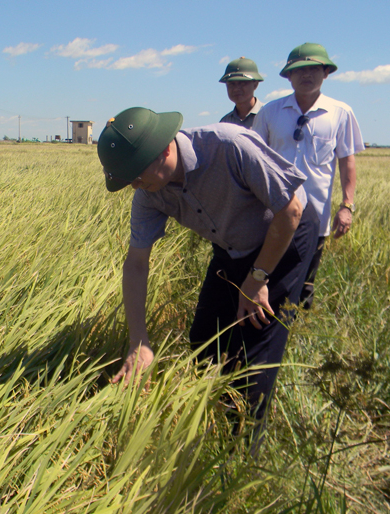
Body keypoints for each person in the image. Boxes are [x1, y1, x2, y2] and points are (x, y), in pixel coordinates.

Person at [98, 107, 319, 451]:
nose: (136, 187)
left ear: (164, 150)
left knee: (255, 345)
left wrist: (258, 278)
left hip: (284, 233)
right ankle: (210, 413)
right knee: (204, 339)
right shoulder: (149, 193)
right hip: (231, 245)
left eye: (137, 177)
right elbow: (137, 263)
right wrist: (139, 341)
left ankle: (241, 451)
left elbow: (290, 210)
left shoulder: (228, 146)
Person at [253, 43, 364, 308]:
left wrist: (347, 205)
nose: (306, 75)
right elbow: (254, 160)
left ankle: (298, 332)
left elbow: (347, 162)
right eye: (299, 69)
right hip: (273, 212)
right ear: (288, 75)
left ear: (326, 73)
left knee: (305, 284)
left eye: (314, 68)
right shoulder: (270, 112)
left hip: (316, 214)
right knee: (266, 276)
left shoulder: (340, 112)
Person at [219, 57, 264, 129]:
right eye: (231, 84)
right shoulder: (225, 122)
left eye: (242, 83)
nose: (236, 89)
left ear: (255, 85)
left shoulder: (268, 115)